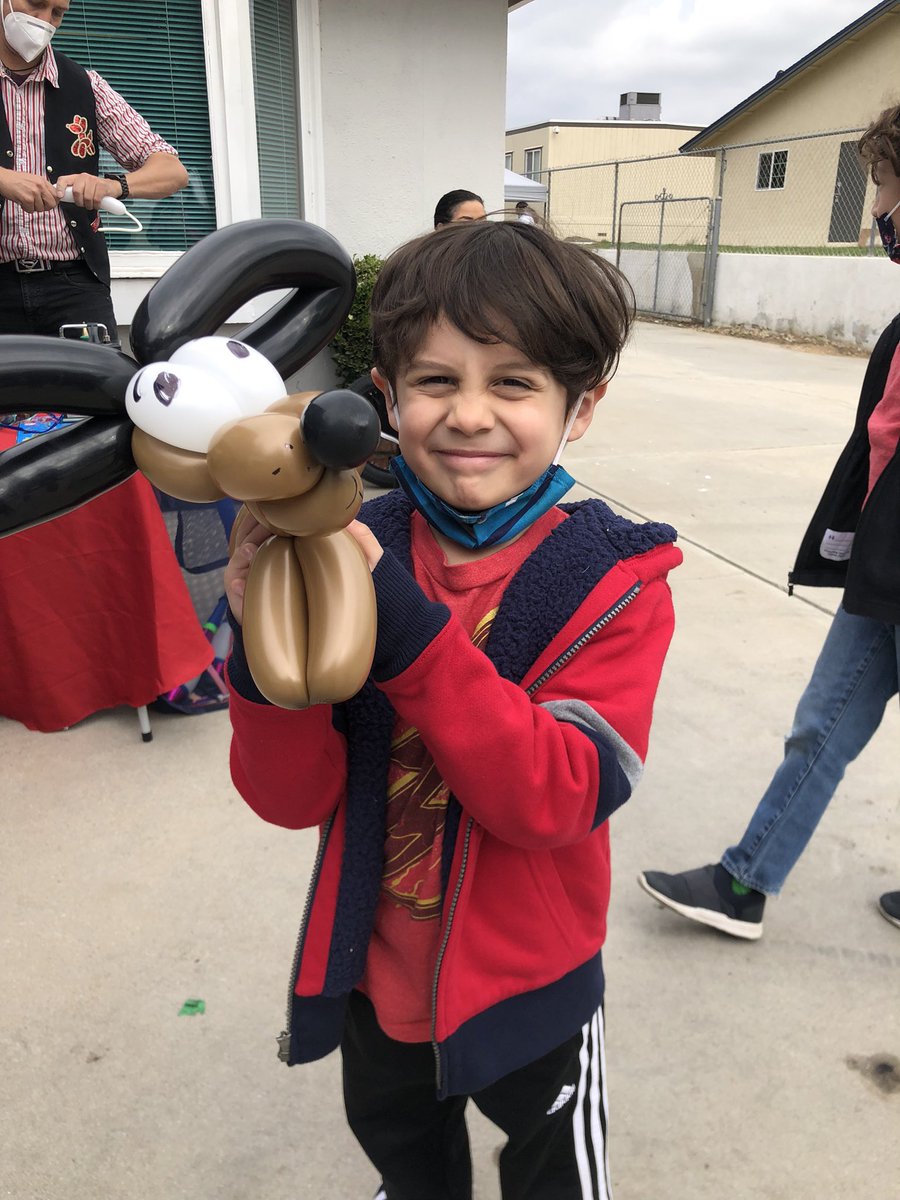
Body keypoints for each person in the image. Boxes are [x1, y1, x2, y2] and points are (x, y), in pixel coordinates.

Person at [224, 220, 682, 1200]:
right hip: (374, 974)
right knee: (405, 1158)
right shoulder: (349, 545)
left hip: (533, 984)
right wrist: (264, 655)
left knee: (553, 1179)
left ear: (580, 406)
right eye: (436, 380)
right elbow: (291, 798)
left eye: (514, 382)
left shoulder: (615, 584)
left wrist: (409, 637)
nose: (470, 414)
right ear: (386, 398)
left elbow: (561, 795)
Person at [638, 104, 900, 940]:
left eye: (885, 185)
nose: (877, 209)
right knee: (823, 723)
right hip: (885, 572)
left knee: (825, 721)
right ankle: (744, 884)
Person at [0, 0, 188, 343]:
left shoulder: (86, 85)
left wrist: (112, 186)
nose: (44, 21)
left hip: (74, 286)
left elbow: (171, 169)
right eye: (36, 4)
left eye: (57, 12)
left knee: (96, 379)